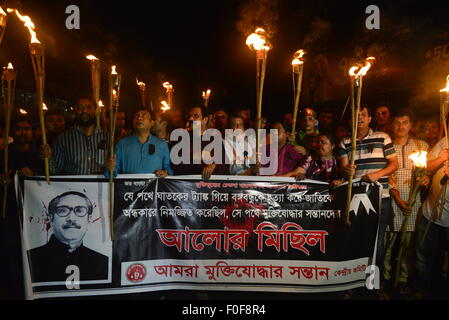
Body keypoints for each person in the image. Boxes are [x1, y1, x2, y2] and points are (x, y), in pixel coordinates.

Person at [338, 104, 398, 298]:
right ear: (350, 121)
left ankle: (376, 285)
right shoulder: (345, 142)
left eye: (363, 114)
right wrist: (346, 171)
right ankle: (351, 282)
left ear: (370, 118)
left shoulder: (382, 137)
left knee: (377, 243)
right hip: (355, 198)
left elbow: (394, 164)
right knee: (354, 239)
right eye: (355, 115)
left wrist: (377, 174)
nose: (359, 118)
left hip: (380, 197)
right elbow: (343, 168)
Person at [383, 108, 429, 296]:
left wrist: (425, 179)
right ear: (392, 125)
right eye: (397, 122)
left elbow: (425, 172)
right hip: (391, 201)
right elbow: (387, 177)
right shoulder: (386, 147)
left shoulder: (421, 146)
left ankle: (402, 280)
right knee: (387, 246)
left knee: (407, 247)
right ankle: (384, 279)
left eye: (405, 122)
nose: (401, 126)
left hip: (413, 203)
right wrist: (397, 198)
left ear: (411, 125)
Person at [27, 191, 109, 283]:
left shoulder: (104, 263)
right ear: (50, 218)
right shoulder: (28, 260)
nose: (71, 218)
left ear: (89, 220)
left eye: (79, 211)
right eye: (63, 210)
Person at [411, 133, 449, 299]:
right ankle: (420, 289)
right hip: (430, 213)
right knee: (422, 257)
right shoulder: (445, 141)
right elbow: (426, 166)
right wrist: (441, 159)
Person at [43, 96, 110, 175]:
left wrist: (112, 167)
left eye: (89, 107)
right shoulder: (63, 139)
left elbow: (115, 169)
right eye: (79, 108)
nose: (84, 111)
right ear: (74, 111)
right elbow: (56, 170)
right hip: (73, 187)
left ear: (95, 110)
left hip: (100, 186)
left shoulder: (107, 137)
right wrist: (48, 158)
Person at [105, 109, 172, 177]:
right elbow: (112, 172)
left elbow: (168, 169)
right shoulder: (121, 144)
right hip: (128, 187)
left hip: (154, 186)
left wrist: (166, 173)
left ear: (152, 123)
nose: (139, 118)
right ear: (132, 122)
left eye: (144, 116)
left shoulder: (162, 144)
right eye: (136, 116)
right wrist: (110, 168)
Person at [170, 106, 227, 179]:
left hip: (209, 186)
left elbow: (224, 165)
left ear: (205, 120)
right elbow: (175, 166)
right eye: (189, 116)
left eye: (195, 116)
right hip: (186, 185)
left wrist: (214, 166)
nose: (190, 119)